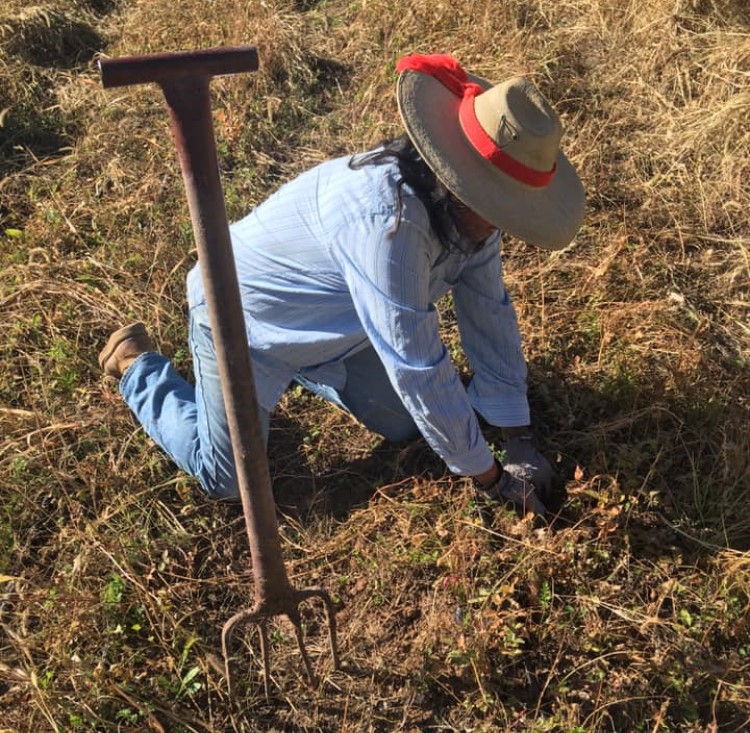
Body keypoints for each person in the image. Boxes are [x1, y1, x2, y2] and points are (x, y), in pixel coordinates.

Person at [98, 54, 585, 516]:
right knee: (227, 479)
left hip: (340, 325)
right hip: (245, 323)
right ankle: (137, 366)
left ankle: (309, 370)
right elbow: (417, 365)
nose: (505, 222)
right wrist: (493, 479)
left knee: (404, 424)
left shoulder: (472, 219)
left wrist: (519, 437)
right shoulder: (386, 226)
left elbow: (489, 311)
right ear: (455, 180)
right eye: (500, 205)